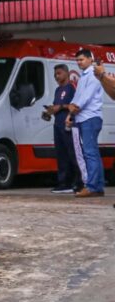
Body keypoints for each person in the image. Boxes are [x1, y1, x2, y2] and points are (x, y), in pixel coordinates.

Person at [68, 49, 104, 197]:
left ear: (90, 59)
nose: (79, 62)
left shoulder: (94, 74)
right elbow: (78, 96)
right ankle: (97, 186)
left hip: (90, 118)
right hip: (83, 118)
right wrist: (71, 111)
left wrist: (73, 109)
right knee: (92, 153)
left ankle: (92, 187)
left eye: (81, 59)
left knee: (90, 153)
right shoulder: (84, 76)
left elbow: (85, 98)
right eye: (77, 60)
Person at [43, 64, 81, 194]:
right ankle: (63, 183)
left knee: (72, 153)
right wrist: (50, 110)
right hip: (57, 125)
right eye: (55, 75)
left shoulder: (72, 87)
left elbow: (75, 105)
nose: (56, 76)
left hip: (68, 124)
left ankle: (77, 182)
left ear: (66, 73)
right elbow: (56, 106)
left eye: (59, 73)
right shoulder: (58, 90)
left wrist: (61, 107)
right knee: (61, 154)